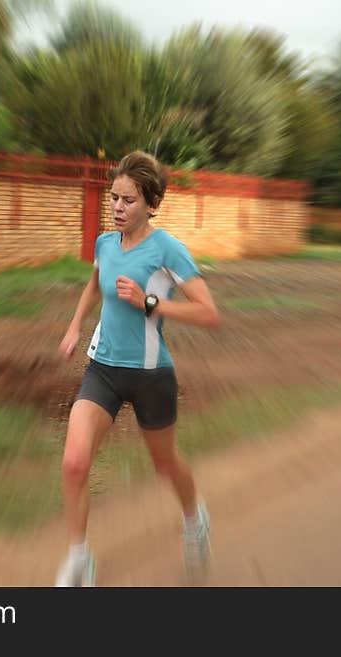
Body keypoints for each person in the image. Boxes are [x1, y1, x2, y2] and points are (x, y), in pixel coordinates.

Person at [55, 150, 221, 586]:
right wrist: (74, 327)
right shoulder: (105, 244)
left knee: (165, 465)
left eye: (128, 200)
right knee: (74, 463)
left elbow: (208, 313)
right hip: (104, 369)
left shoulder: (167, 249)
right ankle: (79, 558)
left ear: (151, 203)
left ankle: (194, 518)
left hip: (151, 376)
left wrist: (148, 302)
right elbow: (94, 286)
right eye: (113, 198)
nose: (117, 208)